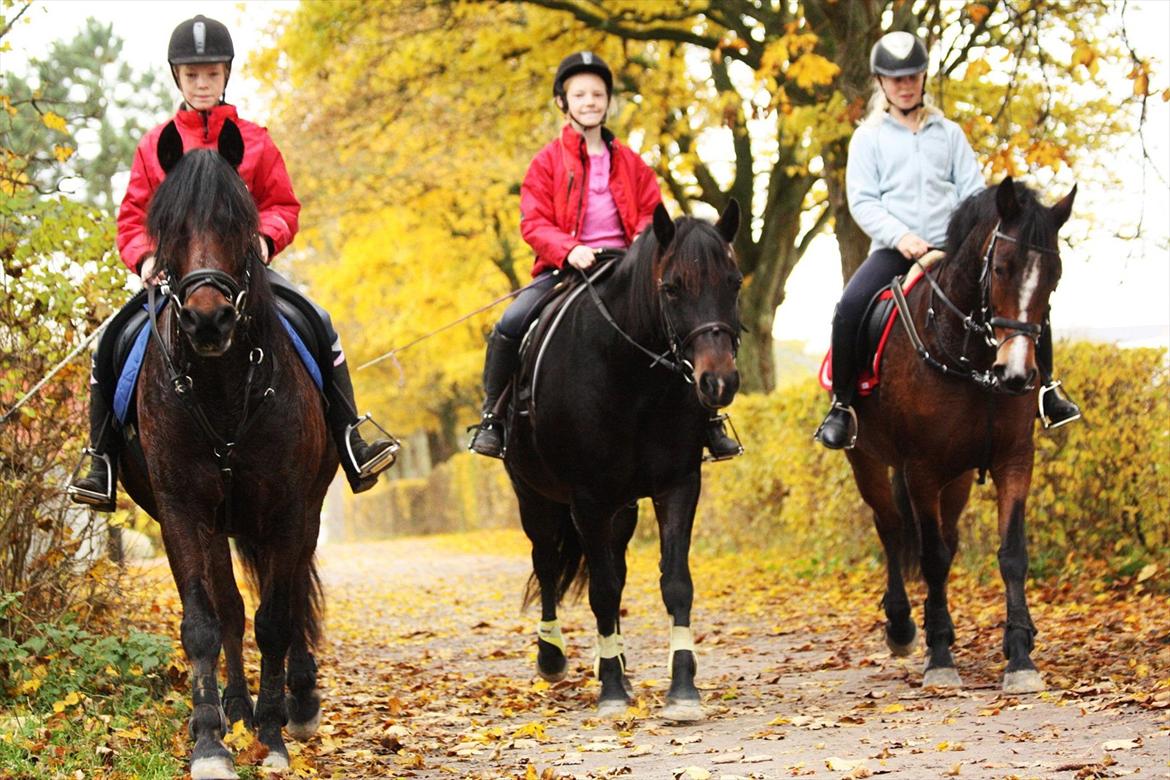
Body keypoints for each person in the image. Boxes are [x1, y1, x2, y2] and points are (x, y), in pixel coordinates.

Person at [68, 14, 397, 511]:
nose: (203, 83)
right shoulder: (156, 146)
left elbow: (283, 205)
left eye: (212, 73)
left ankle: (351, 436)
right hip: (174, 278)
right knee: (111, 343)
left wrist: (266, 238)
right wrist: (146, 256)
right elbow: (132, 218)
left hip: (243, 275)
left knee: (318, 321)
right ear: (177, 77)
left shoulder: (255, 140)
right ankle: (102, 459)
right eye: (193, 74)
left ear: (226, 76)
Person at [467, 51, 743, 460]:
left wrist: (639, 249)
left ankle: (709, 422)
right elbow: (534, 223)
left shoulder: (631, 162)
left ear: (608, 101)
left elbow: (655, 217)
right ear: (563, 103)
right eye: (579, 94)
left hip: (630, 267)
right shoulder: (545, 163)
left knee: (684, 323)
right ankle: (494, 419)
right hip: (568, 268)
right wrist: (569, 249)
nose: (590, 101)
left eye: (598, 94)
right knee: (509, 324)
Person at [814, 31, 1081, 450]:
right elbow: (863, 202)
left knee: (1022, 297)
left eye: (912, 77)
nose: (905, 85)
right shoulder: (868, 137)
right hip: (895, 250)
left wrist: (962, 241)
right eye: (895, 78)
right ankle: (843, 406)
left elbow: (973, 193)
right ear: (881, 83)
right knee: (848, 308)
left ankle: (1048, 390)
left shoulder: (949, 133)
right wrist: (901, 238)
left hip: (952, 251)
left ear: (923, 78)